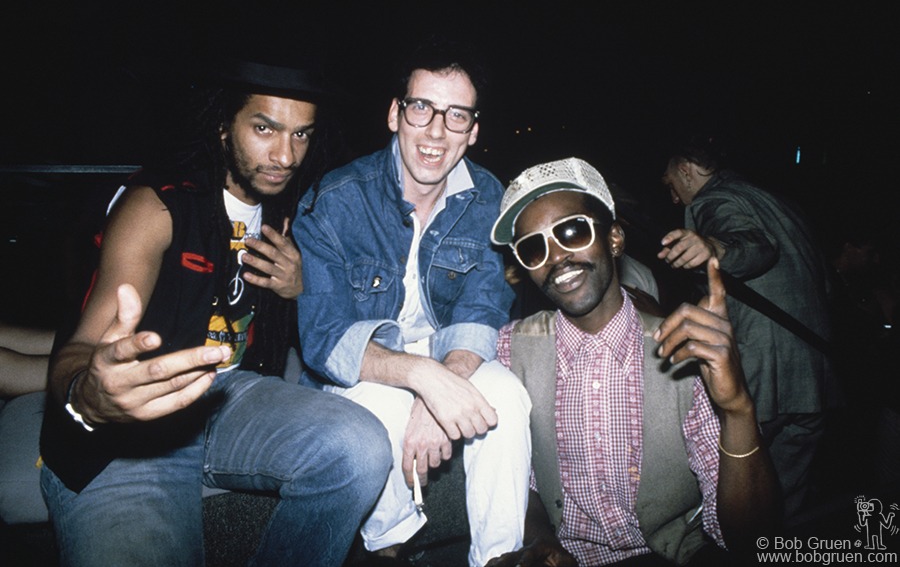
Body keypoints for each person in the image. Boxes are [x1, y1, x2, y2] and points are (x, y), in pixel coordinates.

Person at [38, 57, 392, 567]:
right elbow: (82, 347)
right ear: (225, 127)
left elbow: (317, 335)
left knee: (360, 449)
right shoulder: (156, 207)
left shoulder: (290, 213)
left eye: (301, 135)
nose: (285, 155)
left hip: (227, 397)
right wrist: (89, 397)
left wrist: (300, 291)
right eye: (265, 128)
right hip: (130, 436)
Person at [294, 38, 531, 566]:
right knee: (381, 408)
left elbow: (483, 308)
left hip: (450, 351)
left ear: (473, 131)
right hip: (365, 367)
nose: (435, 131)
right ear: (395, 114)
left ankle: (498, 558)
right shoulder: (335, 200)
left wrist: (439, 384)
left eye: (456, 116)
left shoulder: (491, 199)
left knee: (507, 399)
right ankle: (390, 547)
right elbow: (324, 339)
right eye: (421, 107)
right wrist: (422, 381)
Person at [487, 158, 779, 566]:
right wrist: (541, 540)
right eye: (534, 247)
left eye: (573, 231)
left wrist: (737, 409)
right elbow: (517, 478)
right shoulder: (508, 350)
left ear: (615, 239)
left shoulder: (686, 350)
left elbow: (754, 541)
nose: (557, 258)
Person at [658, 139, 838, 523]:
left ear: (688, 170)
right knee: (786, 505)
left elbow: (757, 246)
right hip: (815, 377)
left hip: (762, 379)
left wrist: (714, 247)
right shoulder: (781, 204)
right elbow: (822, 283)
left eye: (672, 183)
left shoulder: (711, 202)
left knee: (737, 501)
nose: (674, 197)